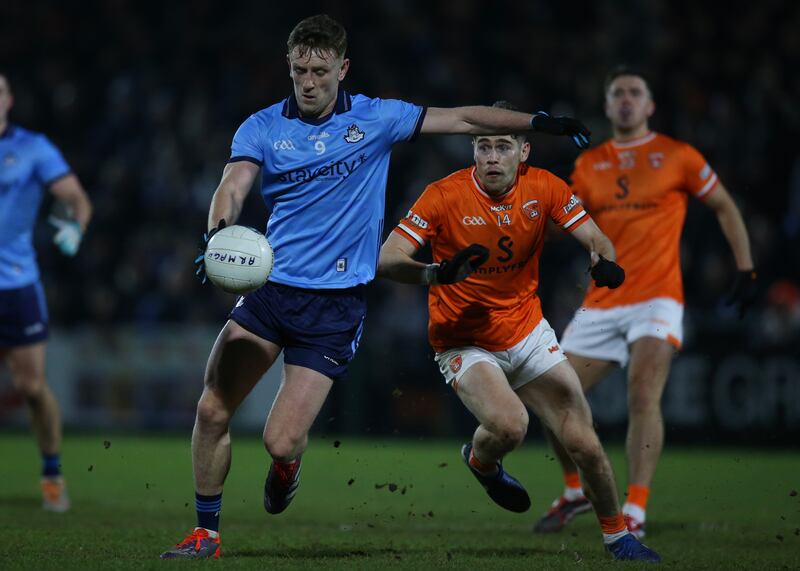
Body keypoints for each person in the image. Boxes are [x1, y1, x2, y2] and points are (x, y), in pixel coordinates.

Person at [161, 14, 592, 560]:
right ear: (288, 68)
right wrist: (218, 236)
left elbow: (461, 118)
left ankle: (287, 465)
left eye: (320, 70)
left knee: (280, 441)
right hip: (270, 292)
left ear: (343, 68)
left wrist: (538, 122)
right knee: (211, 410)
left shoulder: (379, 118)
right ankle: (206, 533)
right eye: (299, 71)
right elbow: (232, 184)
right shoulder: (262, 127)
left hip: (334, 306)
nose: (309, 82)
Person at [377, 101, 660, 562]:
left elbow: (595, 236)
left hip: (527, 331)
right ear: (473, 151)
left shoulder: (545, 187)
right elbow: (387, 259)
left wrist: (604, 262)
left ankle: (618, 538)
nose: (492, 156)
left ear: (522, 151)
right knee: (511, 425)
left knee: (583, 441)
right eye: (483, 146)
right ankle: (482, 460)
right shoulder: (443, 195)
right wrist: (436, 274)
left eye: (502, 146)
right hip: (463, 339)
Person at [533, 66, 757, 538]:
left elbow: (724, 205)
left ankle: (634, 508)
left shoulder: (678, 155)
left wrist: (744, 266)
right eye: (618, 93)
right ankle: (575, 491)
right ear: (609, 106)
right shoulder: (590, 164)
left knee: (642, 394)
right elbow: (564, 225)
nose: (627, 99)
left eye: (636, 92)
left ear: (650, 106)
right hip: (603, 300)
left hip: (658, 297)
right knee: (555, 395)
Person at [0, 72, 93, 512]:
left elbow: (77, 198)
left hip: (16, 283)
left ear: (9, 99)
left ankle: (52, 472)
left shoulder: (32, 148)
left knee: (32, 387)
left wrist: (75, 228)